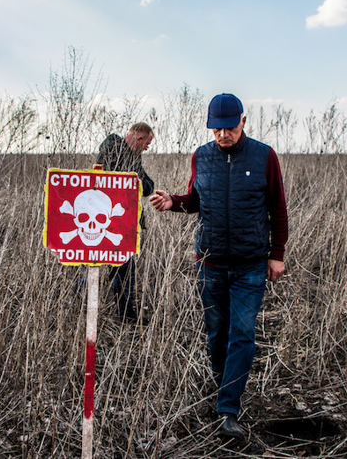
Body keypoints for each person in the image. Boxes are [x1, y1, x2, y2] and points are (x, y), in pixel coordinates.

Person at [148, 93, 288, 439]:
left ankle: (228, 409)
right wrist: (174, 202)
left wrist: (277, 253)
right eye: (216, 129)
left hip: (251, 264)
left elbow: (278, 208)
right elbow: (197, 200)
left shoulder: (264, 156)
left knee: (242, 334)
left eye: (229, 128)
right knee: (217, 334)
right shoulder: (202, 156)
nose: (223, 135)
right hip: (210, 262)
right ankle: (223, 385)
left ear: (242, 122)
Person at [96, 122, 155, 322]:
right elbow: (111, 181)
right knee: (101, 265)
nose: (147, 148)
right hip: (108, 220)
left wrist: (135, 180)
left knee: (123, 268)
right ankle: (125, 314)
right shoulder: (112, 150)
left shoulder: (133, 158)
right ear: (139, 138)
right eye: (147, 144)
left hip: (126, 221)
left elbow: (148, 186)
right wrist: (134, 180)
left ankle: (125, 312)